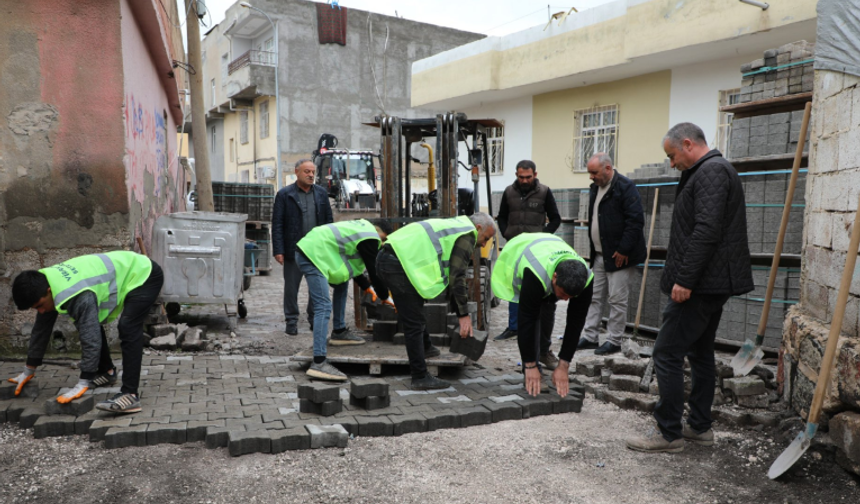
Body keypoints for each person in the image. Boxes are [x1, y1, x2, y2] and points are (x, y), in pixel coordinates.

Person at [626, 123, 753, 453]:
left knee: (666, 353)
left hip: (699, 284)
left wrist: (685, 280)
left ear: (687, 144)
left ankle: (669, 434)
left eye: (672, 156)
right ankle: (699, 427)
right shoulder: (709, 170)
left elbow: (706, 232)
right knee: (700, 353)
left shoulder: (711, 172)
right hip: (710, 282)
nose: (671, 163)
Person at [9, 251, 164, 414]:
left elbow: (90, 338)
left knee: (127, 327)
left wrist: (84, 381)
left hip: (144, 274)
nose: (40, 311)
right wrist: (29, 369)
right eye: (36, 308)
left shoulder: (77, 295)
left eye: (39, 305)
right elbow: (41, 330)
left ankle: (130, 395)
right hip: (130, 267)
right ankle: (107, 372)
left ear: (48, 291)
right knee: (89, 322)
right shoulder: (44, 284)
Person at [377, 213, 495, 390]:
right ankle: (419, 376)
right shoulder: (467, 234)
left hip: (389, 259)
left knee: (414, 309)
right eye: (486, 238)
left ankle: (426, 347)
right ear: (478, 228)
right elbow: (457, 277)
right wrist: (463, 315)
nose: (484, 244)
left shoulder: (456, 225)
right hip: (396, 263)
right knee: (413, 322)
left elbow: (451, 275)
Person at [491, 233, 594, 397]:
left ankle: (544, 353)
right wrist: (530, 365)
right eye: (563, 294)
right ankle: (533, 365)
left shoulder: (586, 279)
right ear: (555, 277)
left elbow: (576, 322)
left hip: (550, 251)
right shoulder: (535, 273)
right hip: (520, 251)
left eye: (571, 297)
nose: (566, 300)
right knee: (534, 313)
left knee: (548, 310)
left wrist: (564, 364)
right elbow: (526, 319)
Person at [295, 218, 395, 381]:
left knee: (342, 283)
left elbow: (354, 269)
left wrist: (367, 288)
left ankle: (339, 332)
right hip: (312, 255)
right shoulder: (370, 236)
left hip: (314, 250)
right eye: (382, 239)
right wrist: (386, 297)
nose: (380, 244)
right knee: (323, 306)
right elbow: (374, 270)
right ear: (378, 230)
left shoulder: (359, 229)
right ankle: (319, 362)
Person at [494, 160, 562, 371]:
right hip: (515, 250)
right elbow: (502, 216)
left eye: (528, 177)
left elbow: (556, 219)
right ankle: (515, 329)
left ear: (535, 174)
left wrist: (543, 237)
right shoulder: (508, 192)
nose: (524, 180)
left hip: (538, 252)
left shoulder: (545, 192)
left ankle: (544, 349)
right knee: (516, 291)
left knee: (545, 301)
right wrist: (506, 232)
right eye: (521, 177)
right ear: (516, 174)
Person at [577, 152, 646, 355]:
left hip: (619, 256)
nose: (591, 176)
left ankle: (614, 340)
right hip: (599, 254)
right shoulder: (595, 188)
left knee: (616, 299)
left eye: (594, 172)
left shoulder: (625, 187)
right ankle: (590, 337)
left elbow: (635, 221)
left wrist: (624, 249)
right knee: (593, 296)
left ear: (608, 169)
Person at [272, 159, 333, 335]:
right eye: (307, 171)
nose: (311, 175)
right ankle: (291, 321)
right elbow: (277, 224)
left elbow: (329, 223)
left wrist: (329, 247)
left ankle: (315, 319)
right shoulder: (285, 194)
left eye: (313, 172)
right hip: (294, 250)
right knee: (291, 288)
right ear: (297, 172)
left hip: (317, 251)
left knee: (317, 286)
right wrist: (279, 250)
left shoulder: (321, 194)